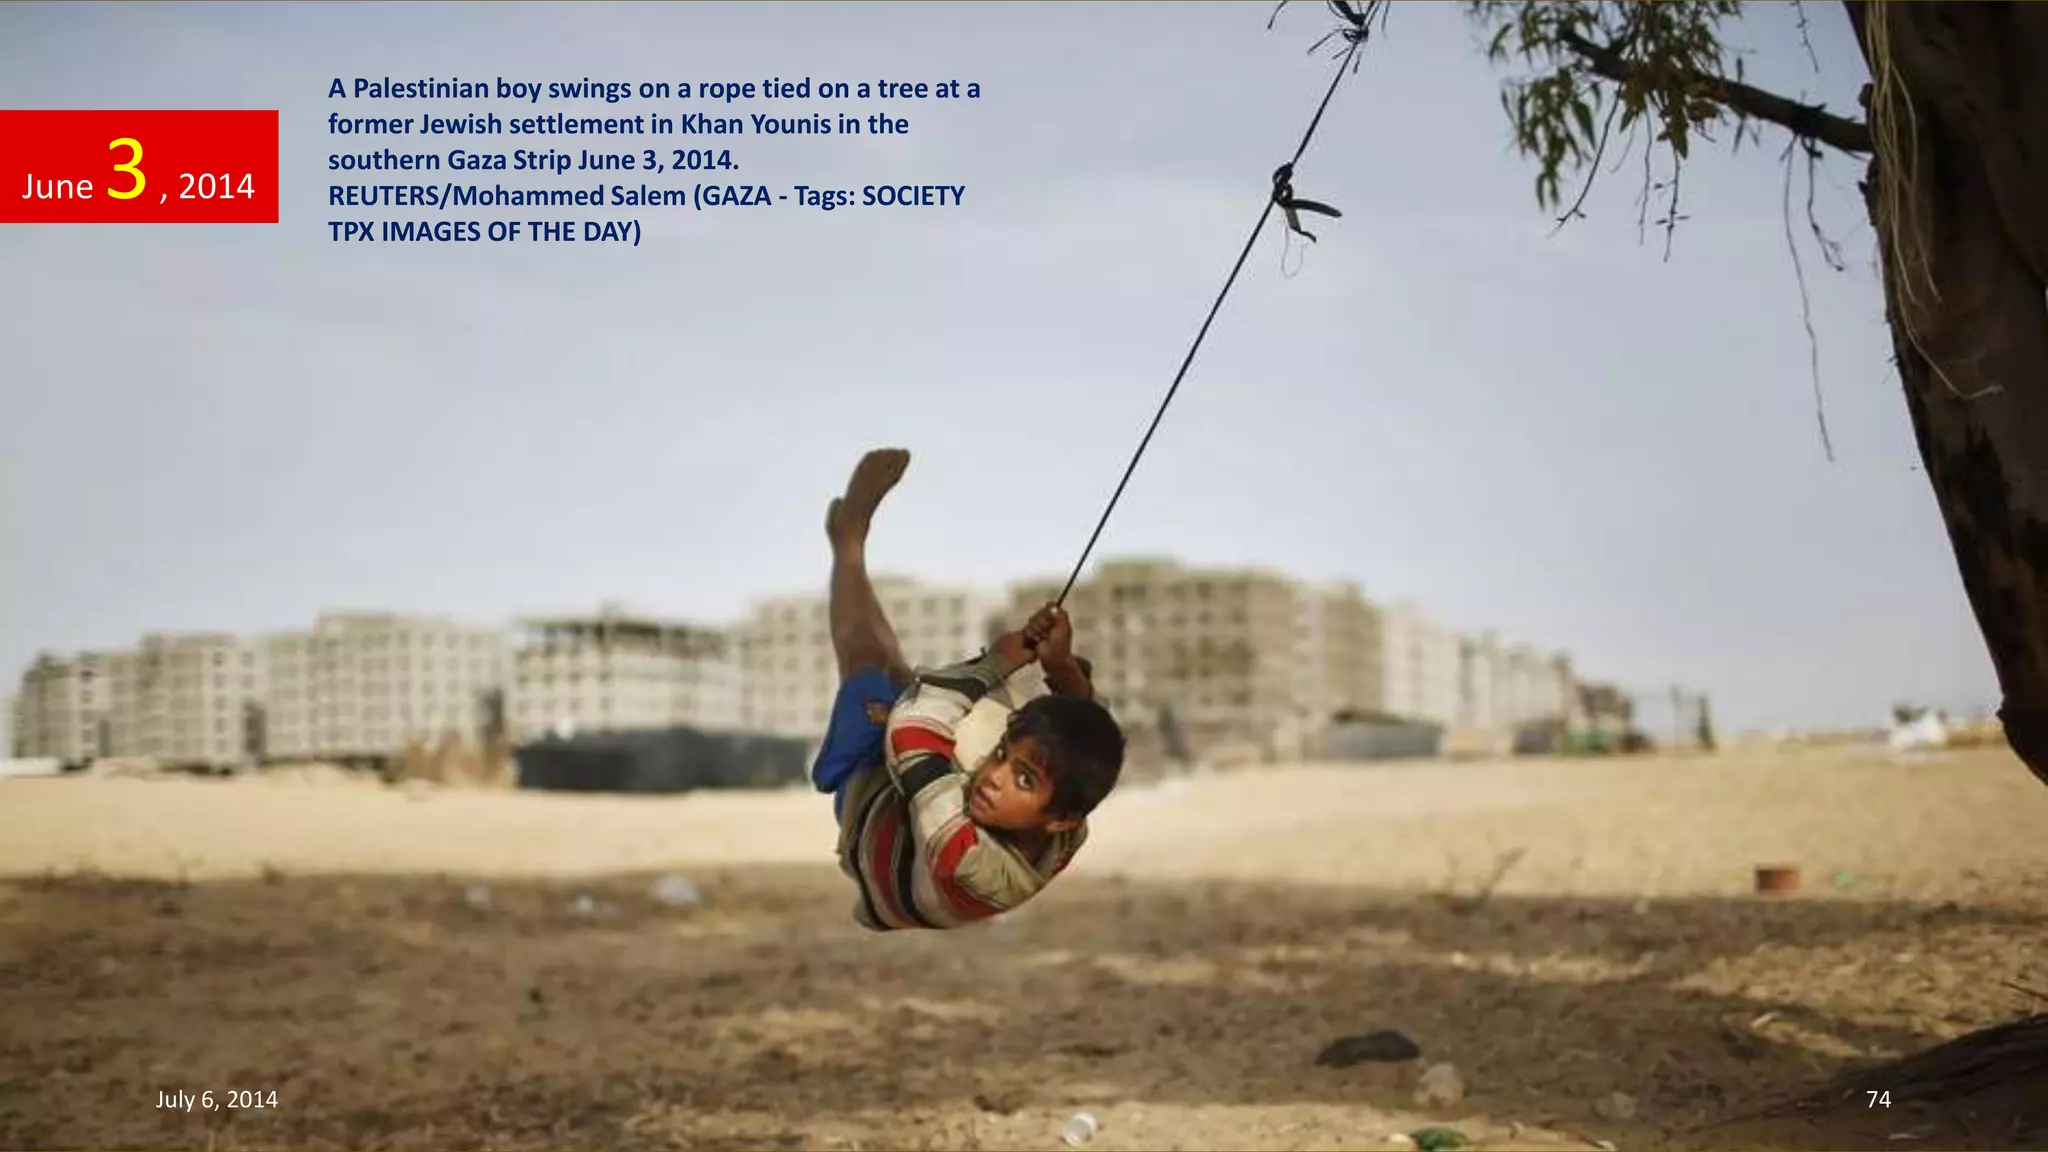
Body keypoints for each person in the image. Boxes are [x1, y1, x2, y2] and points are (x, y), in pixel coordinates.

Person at [810, 447, 1126, 931]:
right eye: (1003, 757)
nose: (996, 777)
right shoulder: (1067, 813)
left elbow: (911, 732)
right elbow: (1088, 726)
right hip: (916, 823)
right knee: (901, 674)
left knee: (871, 666)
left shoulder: (971, 864)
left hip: (872, 821)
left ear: (1060, 820)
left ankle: (849, 546)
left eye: (1023, 781)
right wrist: (1058, 664)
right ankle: (851, 552)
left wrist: (999, 660)